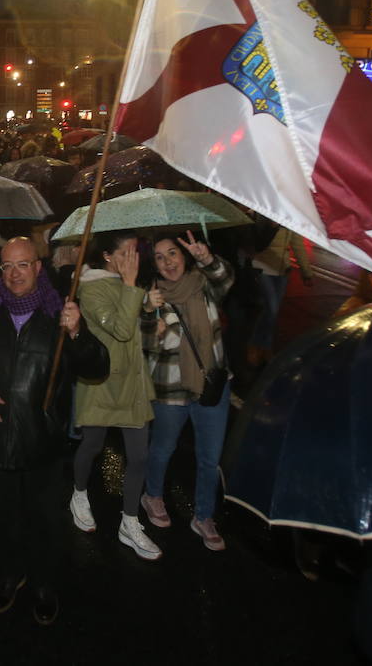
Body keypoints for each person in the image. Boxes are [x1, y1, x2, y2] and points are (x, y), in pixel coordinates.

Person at [0, 238, 107, 624]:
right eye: (6, 266)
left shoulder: (60, 313)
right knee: (3, 518)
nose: (14, 274)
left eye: (22, 265)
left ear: (39, 267)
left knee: (44, 521)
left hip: (43, 441)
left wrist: (77, 334)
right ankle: (12, 574)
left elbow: (96, 368)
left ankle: (43, 581)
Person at [140, 233, 235, 552]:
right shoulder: (151, 297)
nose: (168, 262)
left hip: (211, 387)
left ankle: (204, 515)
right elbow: (144, 345)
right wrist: (153, 323)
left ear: (185, 256)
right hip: (170, 389)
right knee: (162, 448)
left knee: (209, 458)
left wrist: (207, 258)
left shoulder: (203, 284)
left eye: (173, 254)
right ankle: (153, 495)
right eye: (160, 257)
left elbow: (226, 278)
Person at [71, 231, 160, 560]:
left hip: (133, 384)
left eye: (136, 252)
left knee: (138, 457)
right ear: (107, 256)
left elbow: (137, 331)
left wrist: (150, 310)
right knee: (92, 445)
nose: (132, 259)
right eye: (126, 253)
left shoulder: (126, 283)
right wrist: (132, 286)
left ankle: (130, 521)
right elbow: (121, 330)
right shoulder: (92, 289)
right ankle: (79, 493)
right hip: (103, 385)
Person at [248, 225, 312, 363]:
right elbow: (255, 241)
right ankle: (254, 345)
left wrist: (306, 272)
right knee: (271, 308)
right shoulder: (265, 214)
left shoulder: (289, 218)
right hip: (263, 267)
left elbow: (297, 244)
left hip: (282, 270)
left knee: (272, 313)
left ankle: (266, 347)